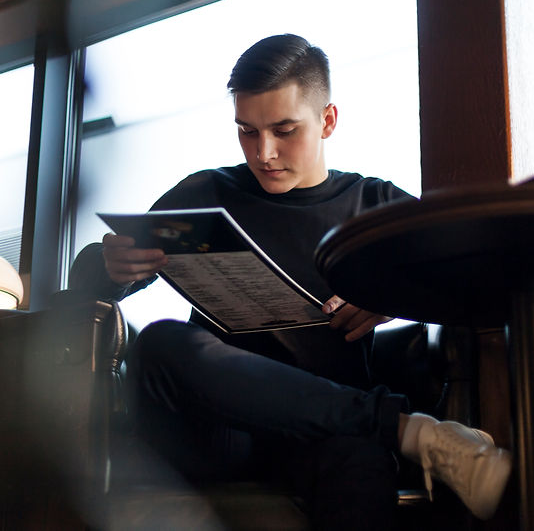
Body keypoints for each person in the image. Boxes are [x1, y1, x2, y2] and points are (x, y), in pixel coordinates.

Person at [69, 34, 511, 528]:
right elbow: (84, 284)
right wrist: (109, 268)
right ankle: (408, 430)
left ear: (328, 121)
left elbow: (479, 278)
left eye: (284, 130)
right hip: (219, 433)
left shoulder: (373, 206)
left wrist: (396, 297)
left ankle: (391, 429)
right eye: (247, 131)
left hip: (325, 436)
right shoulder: (208, 191)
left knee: (361, 460)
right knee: (161, 341)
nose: (264, 153)